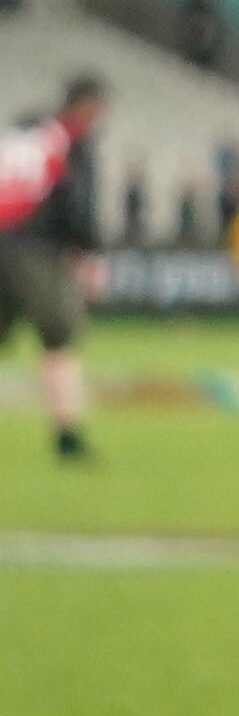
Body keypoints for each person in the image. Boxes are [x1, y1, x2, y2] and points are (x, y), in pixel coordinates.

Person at [0, 74, 108, 461]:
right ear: (89, 105)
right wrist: (90, 254)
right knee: (60, 339)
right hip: (36, 249)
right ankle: (67, 435)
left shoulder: (27, 130)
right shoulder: (71, 142)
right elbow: (74, 204)